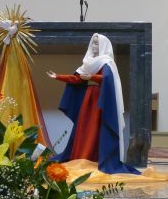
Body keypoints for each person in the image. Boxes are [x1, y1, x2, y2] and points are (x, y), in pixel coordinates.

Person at [47, 33, 139, 174]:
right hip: (88, 98)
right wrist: (58, 76)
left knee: (95, 128)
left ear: (103, 45)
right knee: (84, 127)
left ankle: (93, 157)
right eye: (93, 42)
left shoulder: (106, 61)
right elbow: (77, 79)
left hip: (99, 98)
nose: (94, 46)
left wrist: (92, 76)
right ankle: (80, 156)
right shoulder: (88, 62)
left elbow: (107, 78)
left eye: (97, 43)